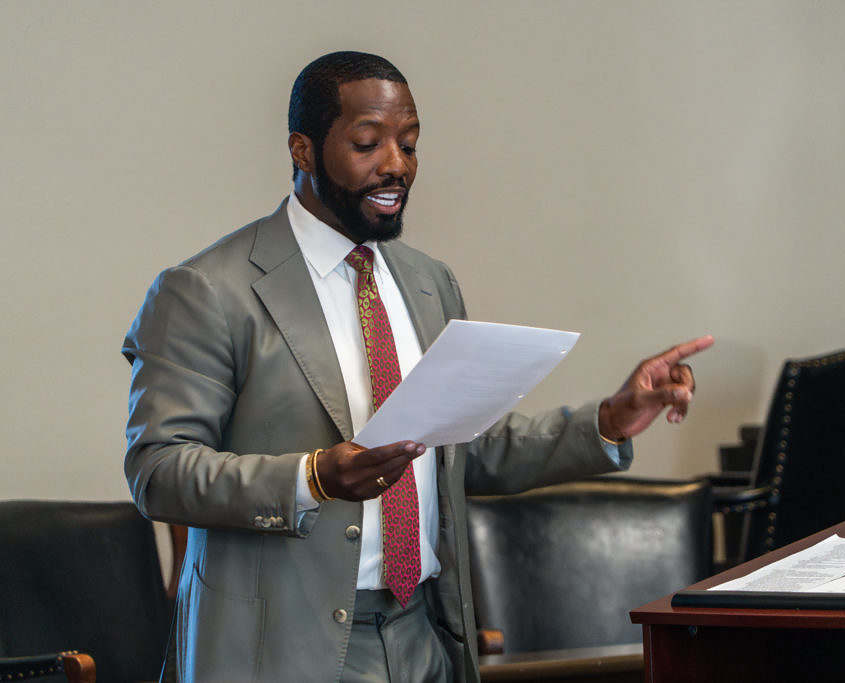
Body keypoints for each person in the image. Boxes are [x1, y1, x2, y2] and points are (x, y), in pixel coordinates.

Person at [123, 51, 712, 683]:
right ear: (303, 150)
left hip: (423, 636)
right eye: (367, 143)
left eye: (409, 144)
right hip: (283, 651)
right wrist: (314, 478)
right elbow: (158, 469)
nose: (396, 165)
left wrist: (610, 421)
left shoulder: (427, 282)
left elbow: (457, 450)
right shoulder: (207, 290)